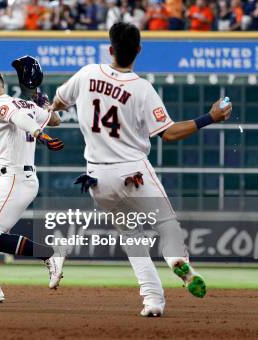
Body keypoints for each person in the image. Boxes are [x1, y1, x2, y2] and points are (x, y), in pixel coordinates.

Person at [50, 22, 232, 317]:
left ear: (110, 49)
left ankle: (152, 301)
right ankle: (176, 261)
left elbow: (57, 103)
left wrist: (47, 106)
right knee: (166, 224)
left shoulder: (87, 74)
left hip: (97, 178)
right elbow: (169, 133)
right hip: (132, 171)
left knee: (132, 239)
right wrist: (208, 117)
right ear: (138, 51)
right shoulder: (141, 88)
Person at [0, 64, 65, 303]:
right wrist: (40, 98)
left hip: (15, 178)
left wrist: (41, 134)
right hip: (10, 178)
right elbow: (56, 119)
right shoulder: (27, 104)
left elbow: (17, 118)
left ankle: (49, 253)